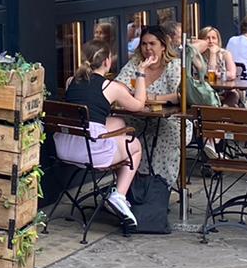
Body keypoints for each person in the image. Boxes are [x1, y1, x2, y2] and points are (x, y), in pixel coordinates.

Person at [59, 46, 147, 225]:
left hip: (65, 147)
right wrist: (141, 73)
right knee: (136, 145)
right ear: (107, 62)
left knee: (119, 123)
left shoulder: (70, 81)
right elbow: (139, 105)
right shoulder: (110, 87)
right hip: (90, 152)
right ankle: (119, 195)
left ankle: (116, 184)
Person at [117, 27, 183, 186]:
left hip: (171, 120)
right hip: (138, 118)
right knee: (118, 132)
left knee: (162, 137)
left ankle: (159, 186)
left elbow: (180, 95)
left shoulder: (174, 65)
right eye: (144, 44)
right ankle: (130, 186)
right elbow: (119, 86)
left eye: (152, 44)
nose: (148, 48)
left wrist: (153, 97)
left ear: (163, 46)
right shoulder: (135, 64)